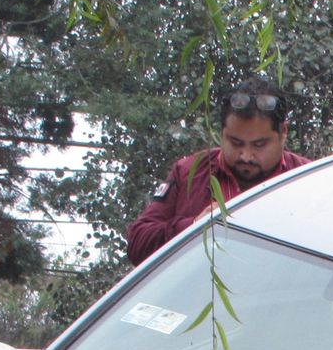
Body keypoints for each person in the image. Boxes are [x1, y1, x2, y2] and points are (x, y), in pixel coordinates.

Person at [125, 76, 310, 265]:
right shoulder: (189, 172)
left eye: (259, 145)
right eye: (236, 143)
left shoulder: (308, 180)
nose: (246, 155)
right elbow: (138, 243)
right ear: (222, 133)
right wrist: (195, 228)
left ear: (283, 132)